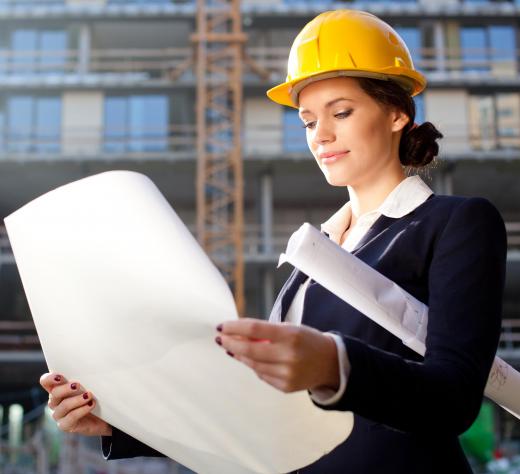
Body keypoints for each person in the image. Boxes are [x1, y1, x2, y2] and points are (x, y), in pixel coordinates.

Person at [40, 9, 507, 474]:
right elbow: (254, 413)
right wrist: (118, 424)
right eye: (307, 121)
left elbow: (453, 396)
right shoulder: (312, 257)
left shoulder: (456, 224)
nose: (320, 135)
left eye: (341, 112)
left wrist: (334, 365)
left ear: (396, 114)